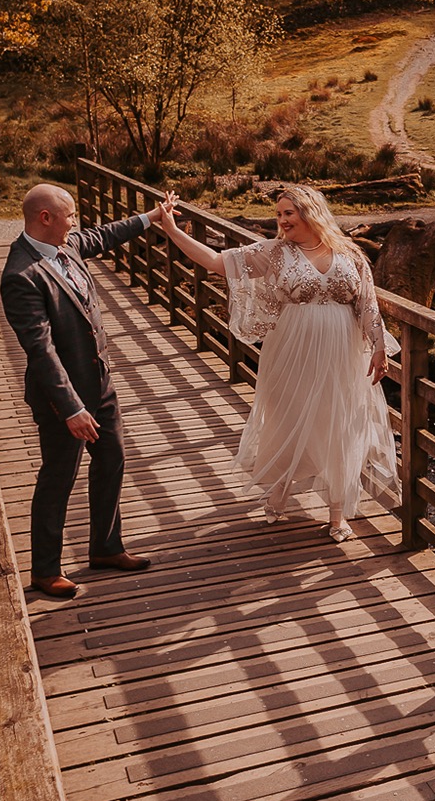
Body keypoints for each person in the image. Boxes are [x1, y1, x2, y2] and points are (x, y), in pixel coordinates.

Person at [153, 184, 396, 541]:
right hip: (291, 349)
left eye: (288, 213)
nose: (281, 221)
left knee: (340, 422)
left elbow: (367, 304)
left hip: (341, 352)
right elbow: (217, 262)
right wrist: (172, 230)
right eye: (278, 214)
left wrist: (377, 347)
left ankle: (337, 514)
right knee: (290, 418)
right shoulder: (276, 253)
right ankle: (281, 488)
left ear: (310, 213)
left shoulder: (350, 253)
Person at [0, 183, 173, 598]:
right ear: (46, 218)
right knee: (58, 477)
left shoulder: (66, 245)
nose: (76, 222)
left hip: (100, 383)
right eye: (70, 214)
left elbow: (103, 235)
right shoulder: (20, 276)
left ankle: (106, 547)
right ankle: (45, 570)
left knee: (112, 458)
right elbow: (41, 352)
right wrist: (72, 408)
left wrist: (151, 217)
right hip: (63, 400)